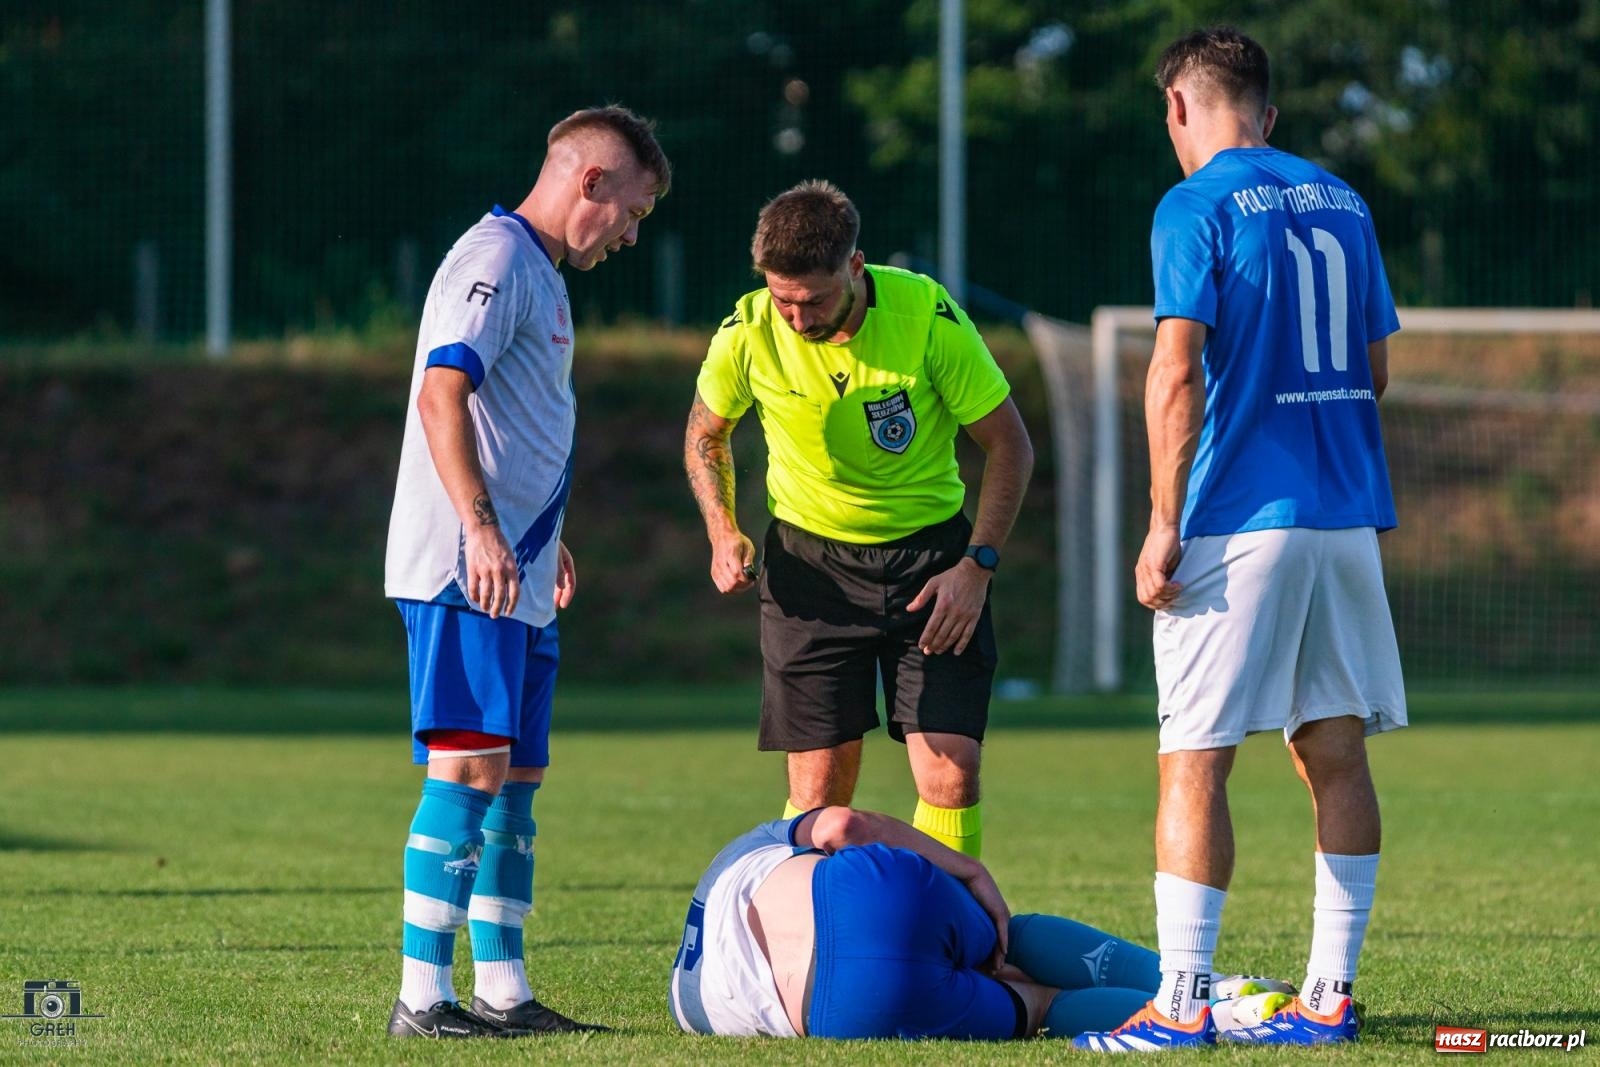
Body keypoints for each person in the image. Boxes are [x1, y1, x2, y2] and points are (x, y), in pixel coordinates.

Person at [1075, 27, 1406, 1052]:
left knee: (1193, 761)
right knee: (1335, 753)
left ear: (1179, 107)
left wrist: (1161, 523)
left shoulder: (1194, 203)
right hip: (1345, 515)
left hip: (1237, 520)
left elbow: (1174, 372)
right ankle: (1328, 996)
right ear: (1268, 111)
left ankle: (1178, 1006)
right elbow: (1378, 371)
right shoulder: (1344, 201)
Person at [382, 105, 671, 1039]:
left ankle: (503, 990)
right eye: (633, 212)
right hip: (468, 572)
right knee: (470, 770)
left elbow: (515, 426)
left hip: (517, 569)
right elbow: (442, 391)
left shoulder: (542, 275)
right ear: (592, 181)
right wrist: (481, 530)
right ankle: (422, 998)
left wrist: (543, 539)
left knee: (516, 782)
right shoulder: (498, 258)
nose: (632, 235)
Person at [683, 180, 1034, 859]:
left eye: (811, 298)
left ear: (855, 266)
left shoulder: (926, 315)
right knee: (819, 791)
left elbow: (1009, 443)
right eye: (781, 296)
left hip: (932, 566)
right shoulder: (749, 330)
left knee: (951, 770)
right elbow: (705, 433)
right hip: (810, 571)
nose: (794, 314)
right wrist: (722, 527)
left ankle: (941, 939)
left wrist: (977, 565)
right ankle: (810, 947)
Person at [669, 806, 1291, 1042]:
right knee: (1007, 938)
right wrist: (967, 870)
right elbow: (843, 829)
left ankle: (1235, 1025)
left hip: (840, 1010)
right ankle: (1207, 985)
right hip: (872, 896)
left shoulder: (687, 1008)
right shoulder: (735, 856)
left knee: (1041, 1006)